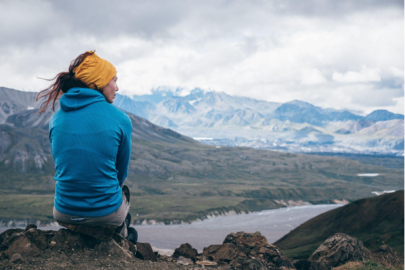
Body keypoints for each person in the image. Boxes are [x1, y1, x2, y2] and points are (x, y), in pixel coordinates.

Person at [36, 51, 137, 243]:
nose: (117, 87)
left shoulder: (55, 119)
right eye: (113, 80)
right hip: (106, 212)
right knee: (123, 194)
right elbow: (120, 174)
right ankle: (121, 235)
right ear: (98, 82)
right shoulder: (120, 119)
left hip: (63, 211)